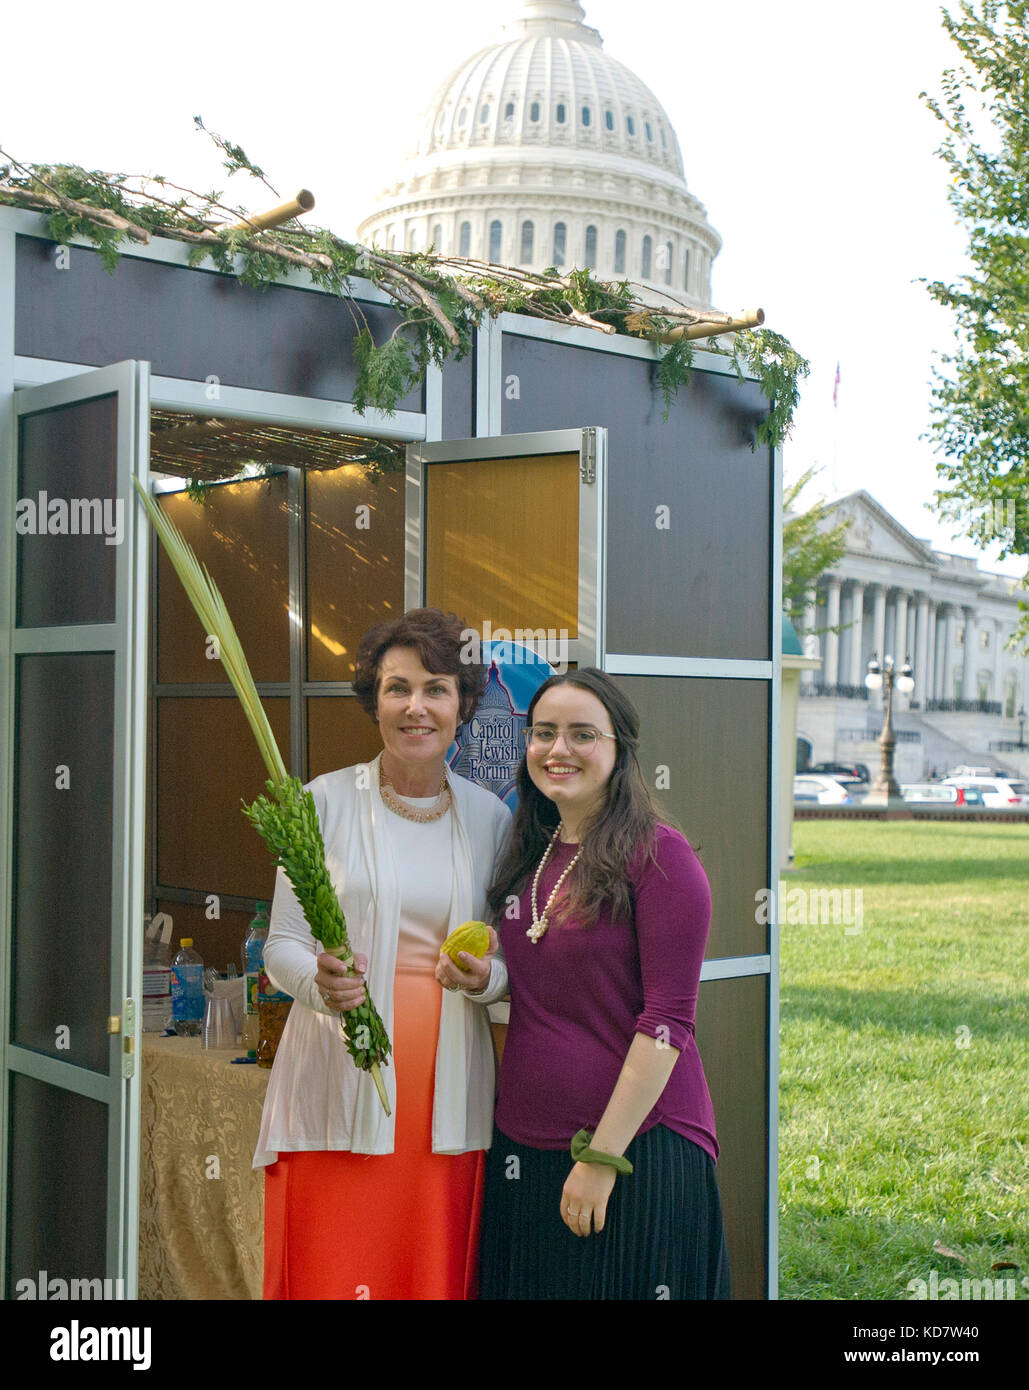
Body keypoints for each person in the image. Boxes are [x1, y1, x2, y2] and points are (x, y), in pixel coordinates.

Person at [253, 608, 511, 1300]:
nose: (415, 707)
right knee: (333, 1268)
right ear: (374, 702)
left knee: (423, 1269)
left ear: (462, 704)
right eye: (397, 688)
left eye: (435, 688)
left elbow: (514, 962)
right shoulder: (322, 803)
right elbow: (281, 945)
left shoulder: (491, 817)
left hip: (445, 1095)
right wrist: (316, 984)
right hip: (339, 1075)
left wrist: (488, 980)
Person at [478, 669, 730, 1300]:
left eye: (582, 734)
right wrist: (485, 978)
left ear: (620, 752)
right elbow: (549, 990)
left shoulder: (660, 858)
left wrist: (600, 1160)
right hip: (524, 1144)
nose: (558, 749)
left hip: (634, 1149)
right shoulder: (528, 852)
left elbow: (667, 1022)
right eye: (543, 733)